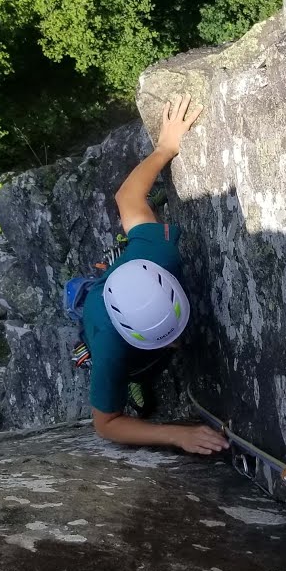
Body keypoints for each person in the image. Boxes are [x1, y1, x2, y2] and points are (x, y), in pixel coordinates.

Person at [81, 95, 230, 456]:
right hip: (110, 341)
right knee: (137, 373)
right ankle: (138, 380)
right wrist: (174, 435)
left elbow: (127, 196)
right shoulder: (110, 350)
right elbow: (105, 423)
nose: (174, 344)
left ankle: (144, 370)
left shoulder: (157, 253)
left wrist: (165, 148)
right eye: (165, 340)